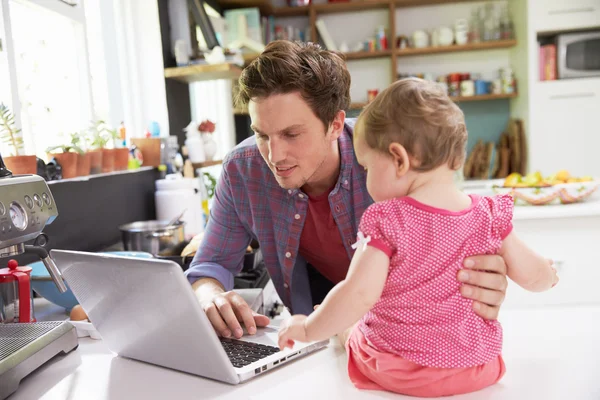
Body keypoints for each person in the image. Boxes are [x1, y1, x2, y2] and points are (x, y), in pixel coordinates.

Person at [185, 40, 511, 341]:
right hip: (311, 329)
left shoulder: (390, 164)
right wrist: (209, 297)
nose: (274, 155)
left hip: (400, 331)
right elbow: (210, 266)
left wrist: (483, 277)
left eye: (292, 134)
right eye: (262, 134)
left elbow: (457, 240)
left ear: (335, 124)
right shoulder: (242, 169)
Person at [277, 78, 559, 397]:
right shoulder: (490, 213)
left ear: (399, 160)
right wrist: (549, 273)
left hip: (401, 370)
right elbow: (534, 276)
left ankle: (339, 332)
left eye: (368, 168)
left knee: (352, 326)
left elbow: (357, 295)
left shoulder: (386, 219)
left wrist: (308, 327)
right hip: (477, 368)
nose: (366, 178)